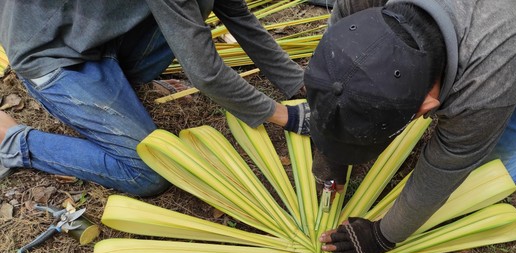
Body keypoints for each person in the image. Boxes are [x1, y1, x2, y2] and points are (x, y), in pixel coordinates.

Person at [305, 0, 516, 253]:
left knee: (493, 172)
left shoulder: (486, 87)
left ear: (426, 107)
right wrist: (331, 157)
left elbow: (446, 167)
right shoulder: (358, 5)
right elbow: (341, 71)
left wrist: (381, 236)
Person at [0, 0, 310, 196]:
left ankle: (117, 80)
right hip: (51, 52)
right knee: (147, 173)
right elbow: (207, 75)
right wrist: (289, 117)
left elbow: (237, 14)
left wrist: (301, 85)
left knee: (195, 7)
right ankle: (15, 141)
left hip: (93, 33)